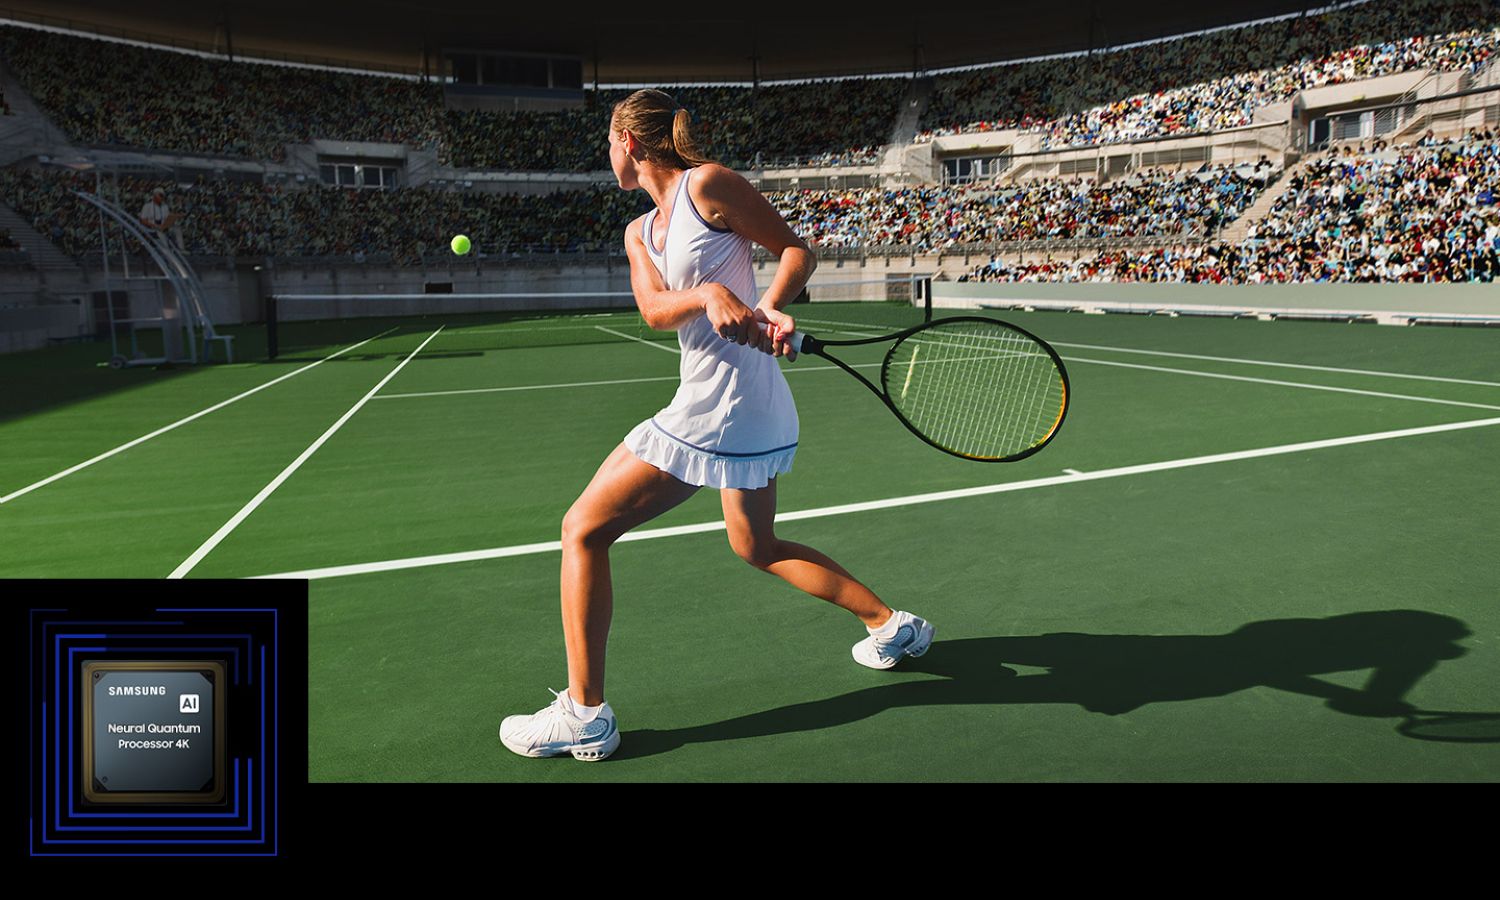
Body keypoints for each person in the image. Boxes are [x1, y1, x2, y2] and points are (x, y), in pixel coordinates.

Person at [499, 89, 934, 761]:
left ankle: (585, 715)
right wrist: (708, 292)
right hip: (736, 403)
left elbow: (795, 250)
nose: (605, 155)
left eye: (607, 142)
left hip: (725, 405)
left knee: (582, 530)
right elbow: (653, 310)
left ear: (630, 142)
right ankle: (891, 624)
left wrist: (769, 305)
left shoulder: (710, 185)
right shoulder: (638, 231)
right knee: (755, 545)